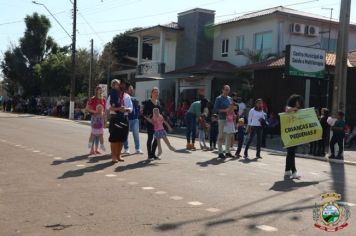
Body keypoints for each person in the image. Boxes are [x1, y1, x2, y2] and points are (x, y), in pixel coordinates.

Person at [106, 79, 133, 163]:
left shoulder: (127, 96)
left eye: (118, 84)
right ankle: (113, 156)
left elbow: (131, 109)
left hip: (124, 118)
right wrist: (118, 109)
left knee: (122, 138)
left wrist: (125, 110)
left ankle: (118, 155)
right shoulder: (112, 95)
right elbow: (108, 107)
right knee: (114, 138)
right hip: (115, 118)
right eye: (114, 85)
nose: (117, 86)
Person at [284, 94, 304, 179]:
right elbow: (287, 110)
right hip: (289, 134)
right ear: (294, 102)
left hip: (296, 134)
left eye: (299, 101)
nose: (299, 103)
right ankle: (294, 172)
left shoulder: (299, 111)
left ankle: (287, 170)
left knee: (290, 153)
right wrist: (295, 109)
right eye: (297, 101)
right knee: (291, 153)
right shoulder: (289, 108)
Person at [86, 86, 106, 155]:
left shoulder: (103, 99)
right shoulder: (93, 99)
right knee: (94, 134)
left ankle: (96, 149)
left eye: (101, 90)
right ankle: (91, 150)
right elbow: (87, 108)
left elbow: (104, 110)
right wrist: (95, 111)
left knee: (99, 134)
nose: (100, 91)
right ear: (96, 91)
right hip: (94, 118)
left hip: (101, 119)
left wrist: (104, 118)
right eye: (99, 90)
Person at [214, 85, 233, 159]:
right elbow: (215, 109)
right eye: (226, 89)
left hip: (229, 119)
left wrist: (233, 111)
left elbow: (231, 107)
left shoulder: (230, 98)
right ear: (222, 90)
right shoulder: (218, 98)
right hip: (222, 118)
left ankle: (227, 152)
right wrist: (225, 110)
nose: (227, 91)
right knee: (221, 135)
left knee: (228, 135)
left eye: (228, 90)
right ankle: (220, 152)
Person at [123, 85, 143, 155]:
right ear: (127, 90)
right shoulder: (125, 97)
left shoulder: (135, 99)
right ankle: (126, 149)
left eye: (132, 89)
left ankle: (137, 148)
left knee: (136, 134)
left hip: (135, 119)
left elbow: (138, 108)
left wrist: (139, 112)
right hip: (127, 118)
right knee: (125, 134)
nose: (131, 90)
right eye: (130, 89)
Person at [143, 87, 161, 160]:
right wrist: (150, 121)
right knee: (150, 138)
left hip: (157, 124)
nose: (156, 94)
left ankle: (153, 154)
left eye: (157, 92)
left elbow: (160, 113)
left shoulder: (158, 102)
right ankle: (149, 155)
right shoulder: (147, 102)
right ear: (151, 93)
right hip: (150, 123)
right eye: (155, 92)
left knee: (157, 138)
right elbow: (144, 114)